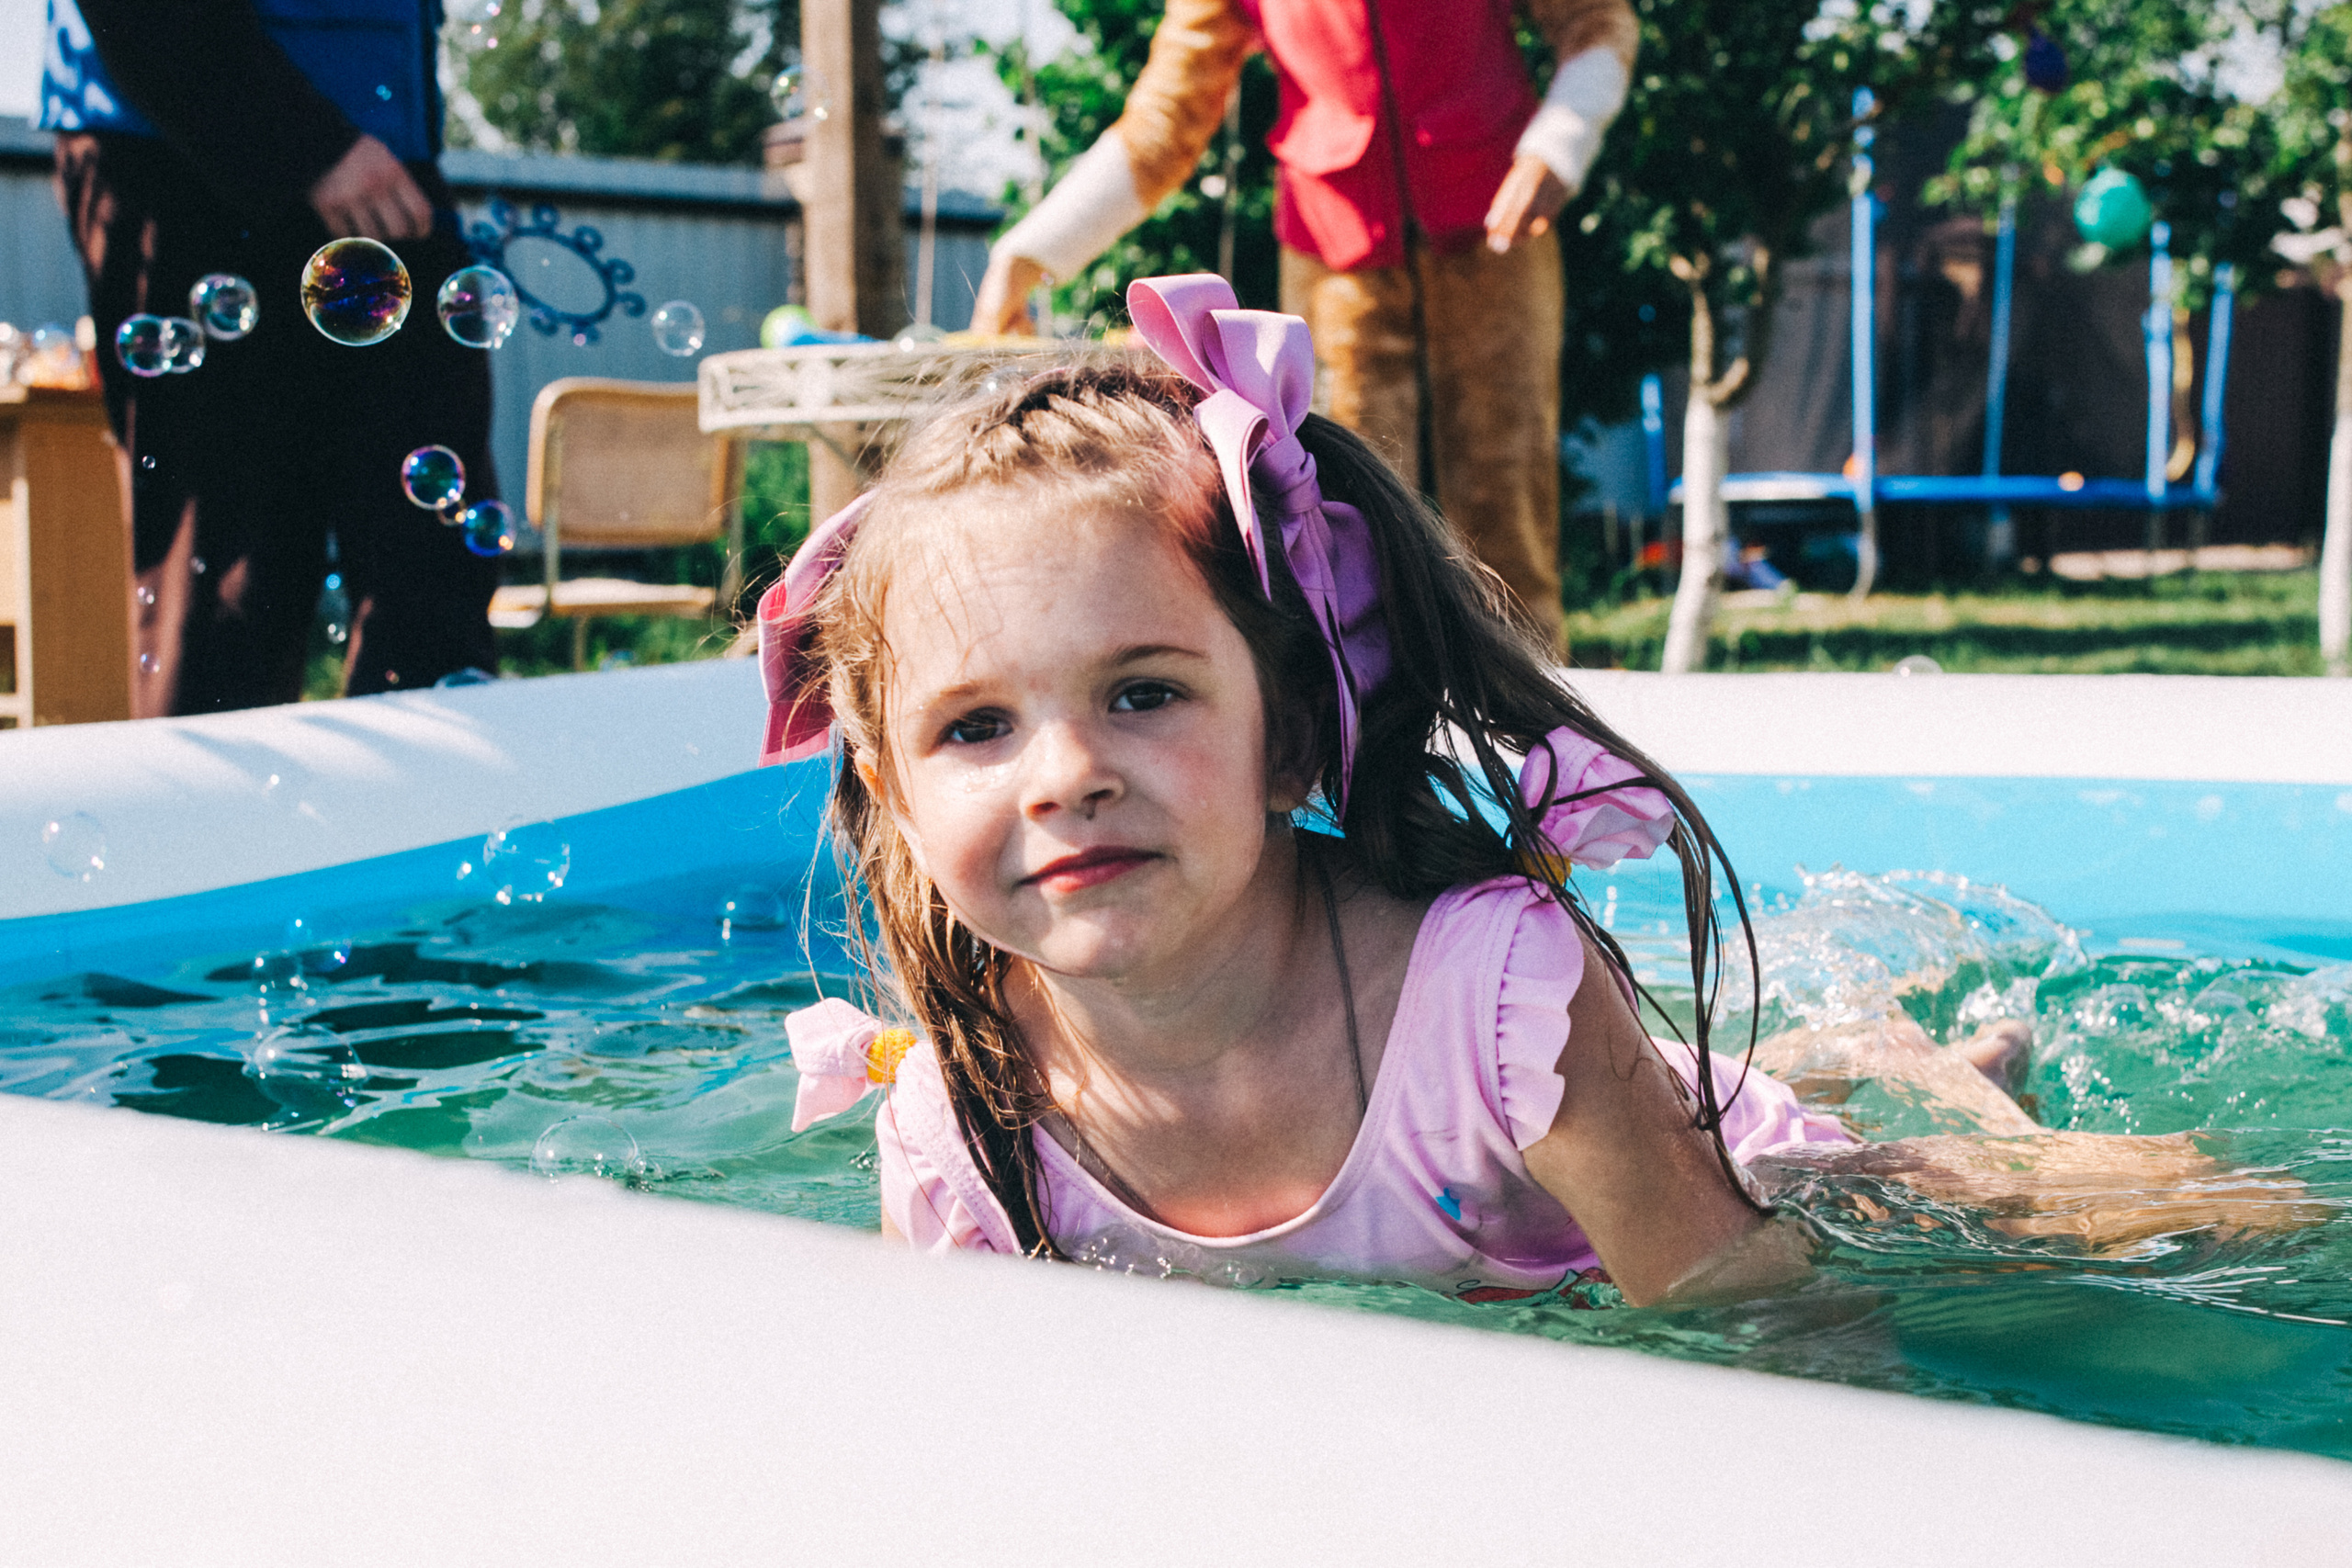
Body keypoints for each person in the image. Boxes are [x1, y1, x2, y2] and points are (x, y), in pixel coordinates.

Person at [764, 276, 2303, 1304]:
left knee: (2176, 1228)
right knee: (1696, 1089)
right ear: (890, 793)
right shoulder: (964, 1122)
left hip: (1714, 1181)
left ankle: (1945, 1074)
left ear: (1294, 733)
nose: (1067, 775)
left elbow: (1764, 1325)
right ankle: (1854, 1048)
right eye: (975, 727)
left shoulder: (1490, 997)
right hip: (1594, 1118)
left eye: (1144, 692)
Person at [968, 0, 1640, 649]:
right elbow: (1166, 119)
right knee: (1343, 524)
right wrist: (1027, 255)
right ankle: (1360, 715)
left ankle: (1532, 708)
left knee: (1509, 514)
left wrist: (1559, 144)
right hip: (1331, 253)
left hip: (1498, 235)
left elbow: (1596, 21)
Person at [40, 0, 501, 714]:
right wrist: (307, 143)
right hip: (190, 143)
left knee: (429, 579)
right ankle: (220, 791)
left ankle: (431, 785)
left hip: (389, 157)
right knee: (227, 585)